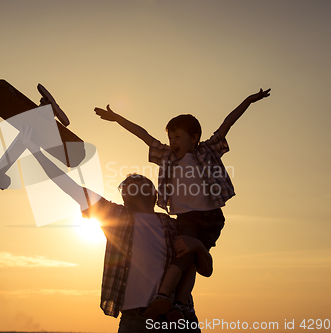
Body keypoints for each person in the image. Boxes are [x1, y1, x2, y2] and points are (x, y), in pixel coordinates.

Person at [94, 88, 271, 320]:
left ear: (194, 137)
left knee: (194, 261)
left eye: (178, 137)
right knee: (183, 255)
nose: (172, 142)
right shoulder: (167, 156)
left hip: (213, 217)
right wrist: (118, 118)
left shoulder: (206, 151)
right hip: (187, 217)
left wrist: (248, 100)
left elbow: (228, 123)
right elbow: (143, 134)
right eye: (170, 138)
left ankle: (179, 304)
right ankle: (165, 296)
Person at [19, 128, 211, 332]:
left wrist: (198, 246)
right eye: (127, 185)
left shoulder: (175, 224)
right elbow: (67, 184)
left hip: (176, 318)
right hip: (135, 320)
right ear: (124, 198)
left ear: (154, 193)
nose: (134, 184)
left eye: (141, 181)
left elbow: (206, 270)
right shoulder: (116, 217)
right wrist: (34, 150)